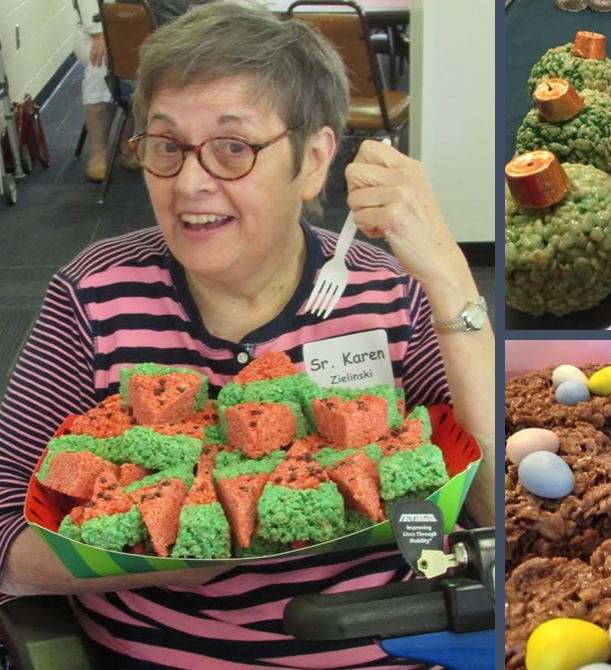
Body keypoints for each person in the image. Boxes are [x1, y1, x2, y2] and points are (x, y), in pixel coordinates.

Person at [0, 3, 495, 668]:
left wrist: (454, 286)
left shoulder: (390, 291)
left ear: (314, 160)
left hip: (384, 643)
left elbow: (496, 508)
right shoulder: (92, 294)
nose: (190, 182)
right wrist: (175, 546)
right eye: (167, 145)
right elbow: (7, 535)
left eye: (233, 147)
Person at [71, 0, 141, 181]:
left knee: (150, 68)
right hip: (100, 30)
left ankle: (128, 142)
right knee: (100, 66)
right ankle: (98, 151)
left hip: (145, 24)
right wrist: (98, 30)